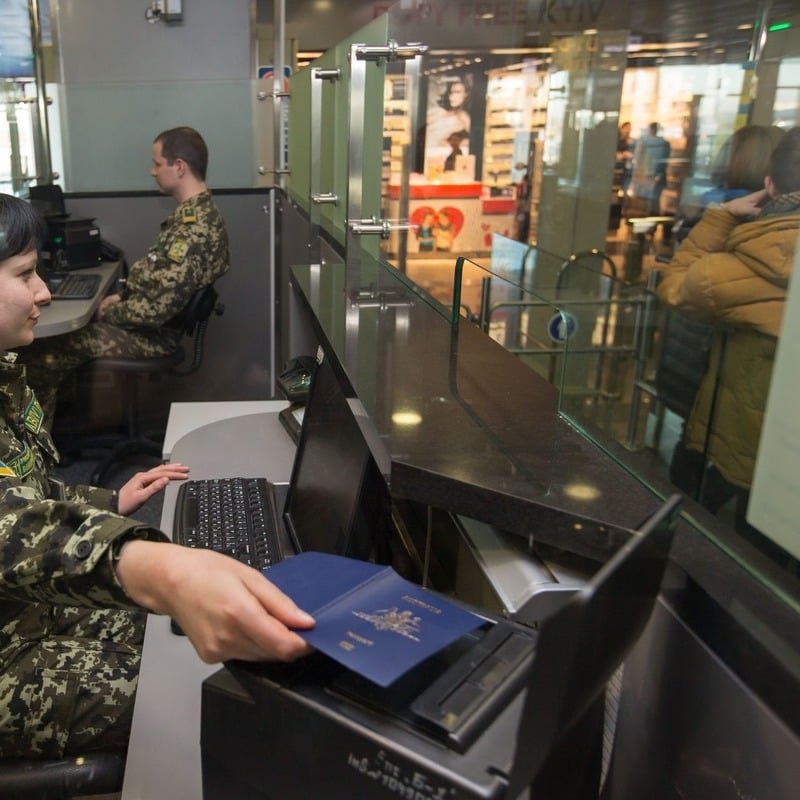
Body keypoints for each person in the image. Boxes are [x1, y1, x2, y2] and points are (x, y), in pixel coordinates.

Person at [0, 192, 314, 759]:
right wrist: (159, 568)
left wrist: (104, 499)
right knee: (200, 693)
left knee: (185, 638)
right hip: (10, 650)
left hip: (27, 608)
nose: (44, 291)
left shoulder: (5, 373)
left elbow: (17, 496)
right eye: (25, 274)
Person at [21, 126, 231, 424]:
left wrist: (110, 311)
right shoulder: (195, 216)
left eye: (158, 163)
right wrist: (121, 297)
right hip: (146, 326)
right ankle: (62, 432)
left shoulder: (195, 228)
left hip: (152, 336)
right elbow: (161, 282)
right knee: (59, 342)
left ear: (179, 167)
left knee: (45, 353)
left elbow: (157, 310)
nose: (153, 171)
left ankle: (37, 449)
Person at [657, 126, 800, 531]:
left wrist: (717, 221)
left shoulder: (746, 261)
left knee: (718, 549)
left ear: (769, 185)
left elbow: (676, 289)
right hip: (782, 455)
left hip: (738, 447)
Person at [631, 122, 670, 216]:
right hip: (655, 176)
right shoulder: (664, 143)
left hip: (645, 176)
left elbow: (638, 159)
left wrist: (637, 176)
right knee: (654, 202)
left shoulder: (644, 142)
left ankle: (644, 223)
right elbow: (665, 161)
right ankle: (651, 225)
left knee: (643, 202)